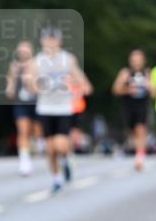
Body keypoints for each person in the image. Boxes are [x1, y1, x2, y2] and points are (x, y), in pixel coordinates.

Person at [27, 27, 92, 193]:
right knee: (49, 149)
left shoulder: (68, 59)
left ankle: (65, 159)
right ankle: (56, 179)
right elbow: (31, 86)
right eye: (47, 39)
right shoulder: (36, 62)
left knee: (61, 145)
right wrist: (37, 85)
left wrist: (78, 88)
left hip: (63, 108)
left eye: (53, 39)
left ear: (59, 41)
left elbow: (83, 83)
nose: (50, 42)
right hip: (45, 108)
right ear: (42, 41)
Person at [112, 50, 151, 171]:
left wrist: (147, 84)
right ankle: (138, 152)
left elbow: (154, 92)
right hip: (128, 106)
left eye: (139, 59)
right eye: (134, 59)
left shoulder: (147, 73)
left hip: (142, 106)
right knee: (132, 132)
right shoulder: (125, 73)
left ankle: (139, 158)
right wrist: (128, 89)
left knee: (141, 129)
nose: (137, 62)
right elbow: (115, 89)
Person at [5, 40, 40, 175]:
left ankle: (40, 146)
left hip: (37, 103)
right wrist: (12, 81)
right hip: (21, 103)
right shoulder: (14, 66)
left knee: (37, 131)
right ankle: (24, 161)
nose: (23, 53)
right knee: (22, 131)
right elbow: (10, 90)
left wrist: (30, 81)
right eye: (21, 50)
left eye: (26, 50)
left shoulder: (37, 64)